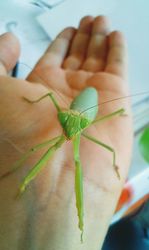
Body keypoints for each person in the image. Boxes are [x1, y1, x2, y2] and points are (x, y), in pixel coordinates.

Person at [0, 16, 133, 250]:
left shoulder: (80, 125)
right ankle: (20, 182)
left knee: (82, 161)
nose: (69, 135)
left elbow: (111, 150)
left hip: (86, 108)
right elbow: (51, 104)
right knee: (38, 148)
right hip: (79, 109)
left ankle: (80, 219)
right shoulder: (68, 121)